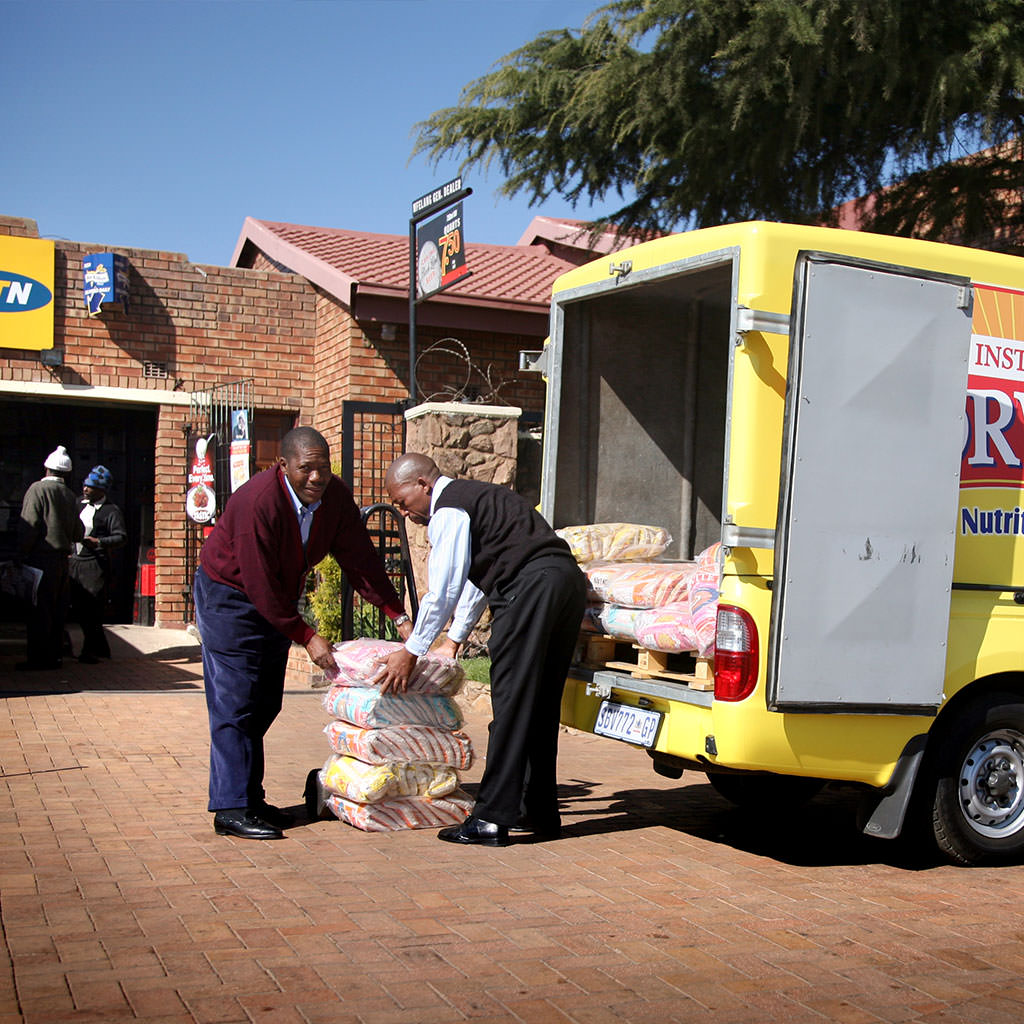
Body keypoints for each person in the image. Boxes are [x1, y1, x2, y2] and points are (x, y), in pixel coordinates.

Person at [193, 426, 413, 841]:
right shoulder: (258, 502)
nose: (316, 478)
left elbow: (360, 558)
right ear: (283, 466)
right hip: (229, 597)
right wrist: (307, 634)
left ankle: (248, 798)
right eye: (305, 469)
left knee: (263, 703)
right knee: (235, 701)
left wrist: (397, 613)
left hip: (276, 599)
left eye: (323, 469)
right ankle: (231, 807)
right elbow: (257, 582)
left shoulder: (334, 497)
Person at [375, 453, 587, 847]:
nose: (404, 512)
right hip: (564, 584)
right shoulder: (476, 499)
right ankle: (537, 811)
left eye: (402, 501)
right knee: (538, 705)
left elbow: (445, 588)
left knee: (509, 706)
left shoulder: (449, 508)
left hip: (531, 589)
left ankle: (491, 817)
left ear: (423, 483)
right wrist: (455, 638)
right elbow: (478, 582)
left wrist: (413, 649)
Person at [15, 445, 84, 671]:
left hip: (39, 559)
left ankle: (37, 659)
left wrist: (20, 553)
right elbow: (78, 533)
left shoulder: (37, 490)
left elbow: (30, 525)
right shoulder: (70, 496)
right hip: (62, 561)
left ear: (47, 469)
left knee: (38, 610)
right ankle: (54, 657)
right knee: (57, 610)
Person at [69, 465, 127, 663]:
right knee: (75, 607)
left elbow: (121, 537)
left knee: (91, 609)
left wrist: (100, 542)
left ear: (101, 490)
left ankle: (91, 651)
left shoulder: (111, 511)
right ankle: (100, 649)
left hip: (94, 565)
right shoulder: (78, 504)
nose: (85, 489)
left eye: (91, 487)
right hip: (75, 561)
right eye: (85, 485)